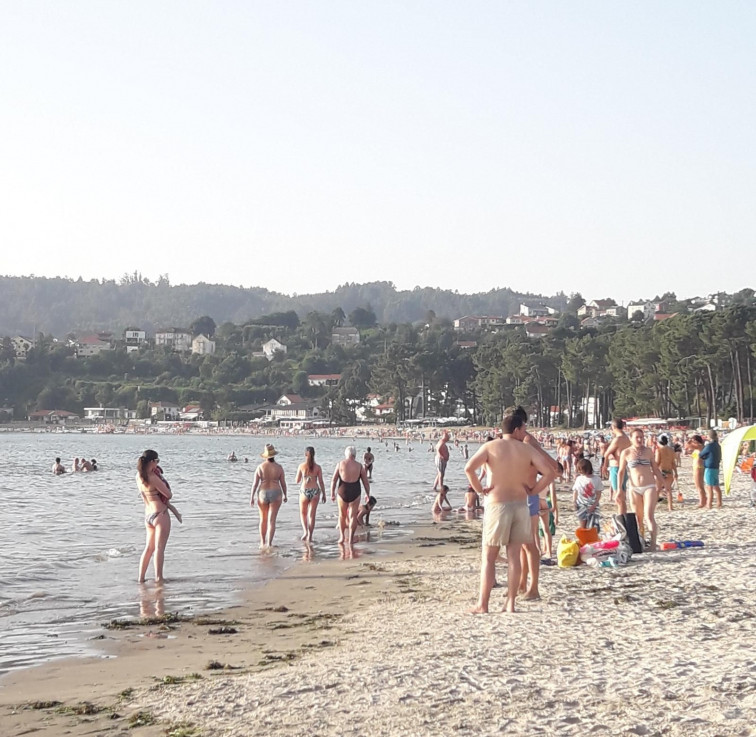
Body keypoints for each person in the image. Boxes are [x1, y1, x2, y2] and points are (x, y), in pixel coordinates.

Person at [465, 413, 557, 614]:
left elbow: (469, 468)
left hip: (498, 504)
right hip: (521, 505)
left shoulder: (491, 447)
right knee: (514, 555)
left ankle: (483, 604)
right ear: (515, 430)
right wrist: (533, 490)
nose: (525, 433)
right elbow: (550, 472)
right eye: (523, 429)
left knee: (489, 556)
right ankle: (511, 603)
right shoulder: (526, 449)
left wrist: (480, 489)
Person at [618, 429, 664, 551]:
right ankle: (641, 541)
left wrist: (662, 484)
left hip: (649, 486)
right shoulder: (626, 452)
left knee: (649, 515)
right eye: (637, 437)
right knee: (638, 517)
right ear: (631, 438)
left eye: (641, 437)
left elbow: (655, 469)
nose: (639, 439)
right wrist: (619, 489)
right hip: (634, 488)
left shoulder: (648, 451)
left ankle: (653, 544)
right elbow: (621, 472)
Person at [136, 449, 173, 583]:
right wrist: (162, 479)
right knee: (159, 548)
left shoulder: (139, 476)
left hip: (148, 514)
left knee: (148, 548)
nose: (157, 464)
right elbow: (168, 494)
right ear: (152, 462)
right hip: (160, 514)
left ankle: (141, 578)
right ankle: (159, 578)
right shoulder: (153, 477)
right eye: (156, 461)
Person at [331, 446, 370, 545]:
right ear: (354, 455)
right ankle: (351, 538)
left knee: (342, 515)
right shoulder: (359, 466)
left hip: (343, 490)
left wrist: (332, 493)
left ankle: (342, 537)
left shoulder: (340, 464)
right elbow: (365, 482)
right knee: (352, 516)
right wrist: (368, 494)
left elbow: (334, 480)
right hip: (355, 490)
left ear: (346, 454)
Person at [251, 444, 287, 549]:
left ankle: (262, 542)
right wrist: (285, 494)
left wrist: (252, 496)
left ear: (265, 456)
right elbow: (283, 483)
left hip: (263, 492)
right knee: (272, 520)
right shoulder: (279, 468)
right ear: (274, 455)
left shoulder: (260, 467)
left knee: (263, 519)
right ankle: (270, 543)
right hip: (276, 492)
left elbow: (255, 483)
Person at [295, 446, 326, 543]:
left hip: (304, 491)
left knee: (303, 513)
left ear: (305, 454)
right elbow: (321, 482)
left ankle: (305, 532)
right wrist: (324, 494)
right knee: (312, 515)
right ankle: (310, 536)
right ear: (314, 454)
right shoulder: (318, 467)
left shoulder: (301, 466)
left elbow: (297, 480)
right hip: (315, 491)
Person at [601, 419, 631, 514]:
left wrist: (605, 466)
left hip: (616, 467)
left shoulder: (617, 439)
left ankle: (621, 515)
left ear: (613, 427)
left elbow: (606, 453)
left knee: (618, 495)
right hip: (624, 467)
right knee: (622, 493)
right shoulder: (627, 438)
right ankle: (623, 514)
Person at [573, 458, 603, 531]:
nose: (579, 471)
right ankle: (583, 541)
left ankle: (592, 541)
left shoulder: (596, 479)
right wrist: (574, 502)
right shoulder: (579, 479)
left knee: (593, 527)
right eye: (578, 469)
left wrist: (594, 505)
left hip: (593, 505)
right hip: (581, 505)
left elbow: (599, 493)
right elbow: (575, 491)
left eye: (581, 469)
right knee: (582, 526)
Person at [699, 429, 723, 509]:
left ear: (709, 436)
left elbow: (701, 454)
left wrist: (704, 457)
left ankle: (709, 504)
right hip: (716, 466)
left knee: (709, 486)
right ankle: (719, 502)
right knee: (716, 486)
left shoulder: (709, 446)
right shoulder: (718, 445)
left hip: (709, 467)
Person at [655, 435, 677, 511]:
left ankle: (653, 506)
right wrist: (676, 473)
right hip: (669, 471)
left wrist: (653, 469)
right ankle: (670, 507)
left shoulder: (659, 450)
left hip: (661, 471)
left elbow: (657, 462)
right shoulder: (671, 450)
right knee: (668, 490)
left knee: (657, 489)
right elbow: (673, 463)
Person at [687, 435, 706, 507]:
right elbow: (688, 447)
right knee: (698, 485)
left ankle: (702, 502)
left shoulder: (700, 446)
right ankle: (704, 500)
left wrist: (689, 441)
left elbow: (688, 445)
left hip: (699, 467)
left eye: (694, 440)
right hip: (697, 467)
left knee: (699, 486)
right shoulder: (698, 447)